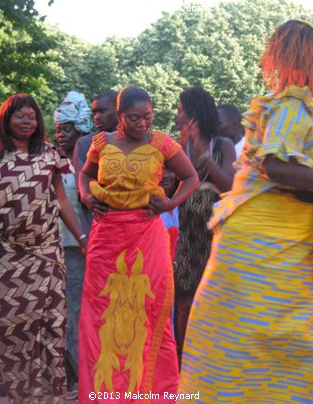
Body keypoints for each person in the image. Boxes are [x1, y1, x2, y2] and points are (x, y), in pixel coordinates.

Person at [178, 20, 313, 402]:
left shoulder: (293, 105)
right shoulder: (293, 105)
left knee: (261, 337)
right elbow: (276, 166)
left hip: (274, 238)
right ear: (311, 59)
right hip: (265, 241)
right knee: (277, 337)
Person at [0, 93, 87, 403]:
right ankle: (22, 397)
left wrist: (83, 238)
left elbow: (61, 201)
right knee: (14, 331)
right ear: (6, 119)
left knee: (51, 329)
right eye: (20, 116)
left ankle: (50, 397)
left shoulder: (50, 154)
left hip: (46, 253)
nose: (26, 122)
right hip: (7, 256)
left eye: (32, 117)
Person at [78, 86, 198, 401]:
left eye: (148, 117)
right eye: (134, 118)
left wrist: (171, 204)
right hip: (106, 238)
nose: (142, 124)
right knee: (102, 315)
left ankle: (153, 394)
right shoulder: (101, 144)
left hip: (147, 234)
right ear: (119, 116)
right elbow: (85, 176)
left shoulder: (163, 143)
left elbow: (191, 177)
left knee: (150, 309)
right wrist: (87, 195)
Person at [172, 86, 236, 362]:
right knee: (182, 300)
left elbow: (229, 186)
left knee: (211, 300)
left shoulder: (223, 145)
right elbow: (169, 185)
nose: (176, 116)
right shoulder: (173, 146)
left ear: (193, 114)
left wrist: (202, 152)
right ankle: (181, 362)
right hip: (184, 233)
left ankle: (210, 361)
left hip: (214, 232)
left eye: (179, 109)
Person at [53, 91, 93, 397]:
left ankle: (86, 381)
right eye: (57, 130)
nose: (60, 135)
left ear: (80, 129)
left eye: (66, 129)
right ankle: (71, 378)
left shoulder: (89, 155)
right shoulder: (52, 160)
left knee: (79, 315)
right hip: (54, 250)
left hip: (83, 249)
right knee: (62, 317)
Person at [73, 90, 118, 234]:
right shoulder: (86, 143)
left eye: (102, 111)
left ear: (119, 110)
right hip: (99, 226)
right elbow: (83, 185)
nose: (97, 117)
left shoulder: (139, 142)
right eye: (95, 113)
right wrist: (87, 196)